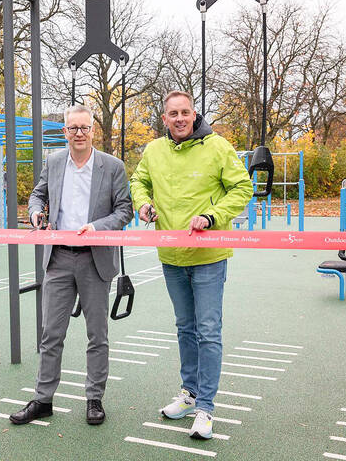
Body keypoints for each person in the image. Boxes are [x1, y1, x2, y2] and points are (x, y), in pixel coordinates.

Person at [129, 90, 253, 439]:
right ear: (164, 119)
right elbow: (139, 181)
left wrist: (211, 216)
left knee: (208, 330)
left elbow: (242, 188)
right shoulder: (154, 150)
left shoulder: (218, 146)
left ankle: (206, 409)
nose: (180, 118)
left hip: (209, 257)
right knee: (185, 328)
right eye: (173, 114)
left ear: (195, 114)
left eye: (185, 112)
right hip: (171, 255)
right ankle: (190, 394)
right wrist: (142, 203)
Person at [10, 104, 134, 426]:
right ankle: (43, 399)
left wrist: (98, 227)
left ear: (93, 130)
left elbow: (124, 210)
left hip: (95, 258)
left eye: (84, 128)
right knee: (51, 333)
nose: (78, 133)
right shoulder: (53, 162)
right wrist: (36, 213)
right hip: (59, 258)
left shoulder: (113, 166)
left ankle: (94, 399)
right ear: (64, 131)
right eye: (72, 128)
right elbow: (37, 196)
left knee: (97, 334)